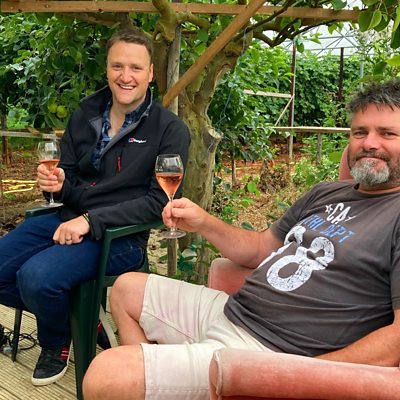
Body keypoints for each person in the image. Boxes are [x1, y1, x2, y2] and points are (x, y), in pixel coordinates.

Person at [82, 79, 400, 400]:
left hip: (271, 350)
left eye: (387, 133)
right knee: (126, 289)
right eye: (360, 132)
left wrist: (305, 375)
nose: (369, 143)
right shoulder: (326, 193)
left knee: (107, 375)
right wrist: (203, 222)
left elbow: (396, 339)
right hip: (235, 310)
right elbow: (260, 249)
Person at [0, 28, 190, 386]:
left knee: (37, 278)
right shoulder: (86, 113)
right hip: (67, 217)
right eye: (117, 66)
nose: (125, 76)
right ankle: (79, 317)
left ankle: (56, 342)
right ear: (107, 68)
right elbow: (69, 177)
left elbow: (158, 202)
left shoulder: (170, 130)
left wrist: (91, 220)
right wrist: (58, 185)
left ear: (151, 73)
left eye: (136, 68)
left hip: (120, 238)